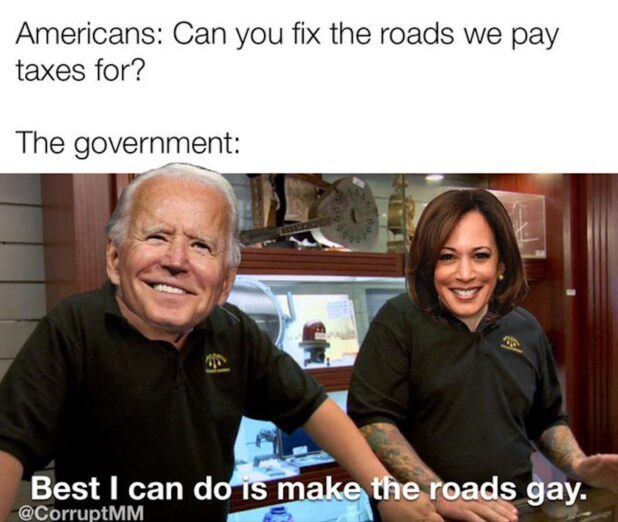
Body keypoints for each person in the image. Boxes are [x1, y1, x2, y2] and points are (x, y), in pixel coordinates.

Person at [0, 165, 440, 522]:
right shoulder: (73, 329)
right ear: (115, 258)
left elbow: (312, 408)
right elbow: (8, 444)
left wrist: (385, 491)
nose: (176, 260)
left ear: (226, 282)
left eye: (201, 245)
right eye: (156, 236)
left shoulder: (232, 331)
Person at [348, 188, 618, 522]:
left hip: (513, 510)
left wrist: (579, 465)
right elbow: (372, 421)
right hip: (425, 514)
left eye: (480, 256)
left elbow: (546, 419)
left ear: (501, 264)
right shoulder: (398, 320)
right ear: (429, 264)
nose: (465, 274)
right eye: (447, 257)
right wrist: (441, 493)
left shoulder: (526, 328)